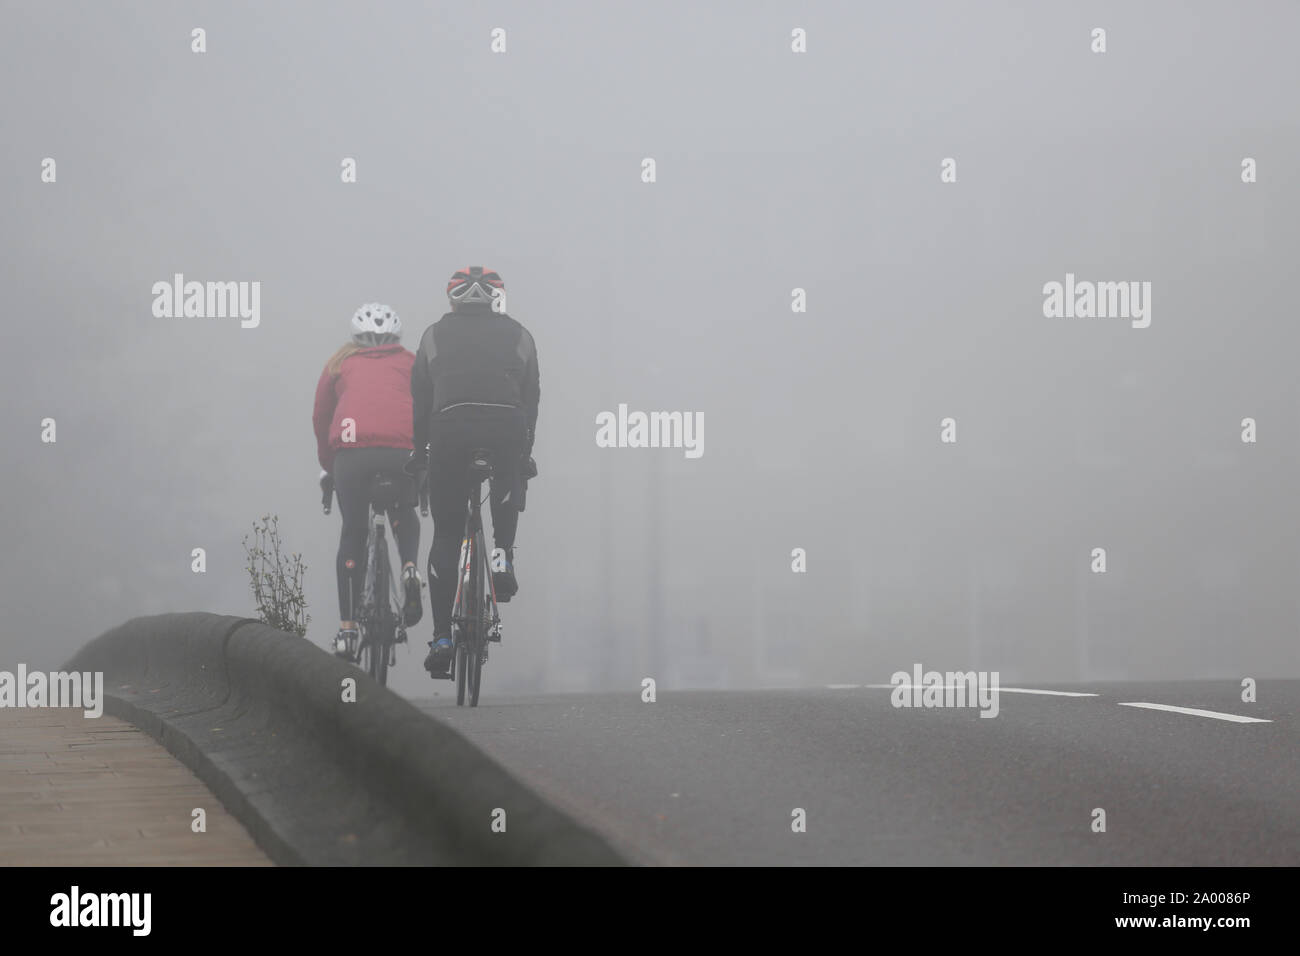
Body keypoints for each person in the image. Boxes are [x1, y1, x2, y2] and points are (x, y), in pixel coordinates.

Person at [408, 267, 539, 676]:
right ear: (496, 300)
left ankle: (443, 636)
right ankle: (501, 557)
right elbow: (532, 398)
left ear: (452, 300)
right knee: (507, 470)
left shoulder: (431, 335)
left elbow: (419, 399)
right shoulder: (520, 334)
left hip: (449, 430)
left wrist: (419, 451)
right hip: (506, 426)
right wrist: (525, 453)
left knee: (447, 533)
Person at [313, 303, 423, 658]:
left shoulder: (339, 363)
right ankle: (409, 568)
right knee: (403, 509)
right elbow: (427, 407)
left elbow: (321, 416)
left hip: (352, 455)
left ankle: (347, 631)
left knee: (354, 532)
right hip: (401, 452)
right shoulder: (411, 361)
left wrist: (329, 465)